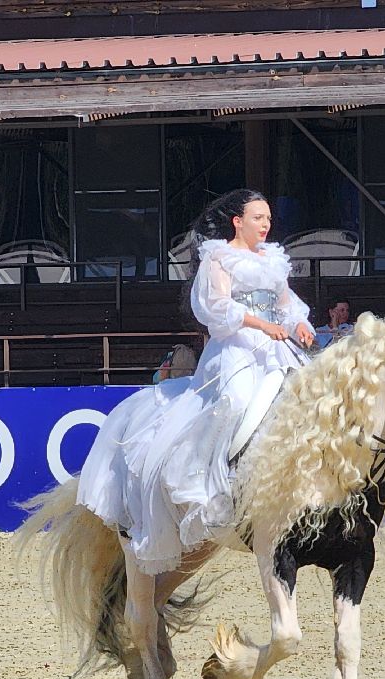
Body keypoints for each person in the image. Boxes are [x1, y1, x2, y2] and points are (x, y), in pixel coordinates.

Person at [77, 188, 315, 574]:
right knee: (235, 402)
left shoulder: (273, 260)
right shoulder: (218, 259)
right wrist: (261, 324)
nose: (266, 224)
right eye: (258, 218)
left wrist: (299, 325)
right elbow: (215, 307)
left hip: (277, 348)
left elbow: (287, 305)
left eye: (268, 218)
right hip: (236, 350)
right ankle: (211, 479)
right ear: (238, 221)